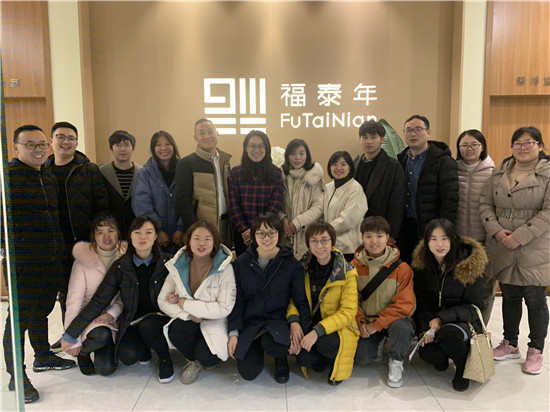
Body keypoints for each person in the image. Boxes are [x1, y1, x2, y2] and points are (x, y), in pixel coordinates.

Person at [3, 125, 76, 403]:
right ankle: (16, 376)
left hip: (51, 258)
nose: (38, 150)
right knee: (18, 320)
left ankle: (43, 355)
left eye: (41, 144)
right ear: (16, 148)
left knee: (42, 311)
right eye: (30, 145)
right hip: (23, 262)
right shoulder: (8, 178)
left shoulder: (46, 174)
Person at [61, 216, 175, 383]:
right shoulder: (121, 265)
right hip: (131, 319)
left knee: (149, 325)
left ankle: (165, 358)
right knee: (127, 356)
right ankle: (142, 348)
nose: (143, 237)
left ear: (156, 236)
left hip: (159, 317)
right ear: (130, 236)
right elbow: (99, 300)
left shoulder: (168, 262)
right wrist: (72, 333)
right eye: (137, 232)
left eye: (148, 232)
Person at [480, 126, 550, 375]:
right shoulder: (500, 170)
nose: (522, 147)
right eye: (517, 143)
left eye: (528, 142)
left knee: (535, 299)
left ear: (540, 145)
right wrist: (496, 231)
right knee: (509, 296)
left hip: (534, 246)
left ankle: (536, 349)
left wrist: (520, 237)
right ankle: (510, 343)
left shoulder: (547, 173)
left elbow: (549, 212)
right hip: (502, 244)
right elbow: (485, 204)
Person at [43, 121, 110, 348]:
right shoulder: (42, 171)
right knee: (66, 293)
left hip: (84, 243)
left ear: (77, 142)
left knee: (90, 290)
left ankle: (92, 332)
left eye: (71, 138)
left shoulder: (88, 170)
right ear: (51, 141)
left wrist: (97, 240)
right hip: (54, 245)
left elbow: (102, 206)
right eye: (61, 137)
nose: (66, 142)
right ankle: (69, 334)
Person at [227, 213, 310, 383]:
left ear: (279, 234)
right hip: (251, 323)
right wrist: (233, 332)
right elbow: (237, 300)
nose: (267, 238)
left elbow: (300, 300)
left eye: (272, 232)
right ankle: (257, 346)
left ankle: (281, 358)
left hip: (278, 321)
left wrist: (300, 327)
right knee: (248, 373)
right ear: (254, 235)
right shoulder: (241, 263)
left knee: (277, 345)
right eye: (261, 233)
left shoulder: (291, 264)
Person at [412, 218, 486, 392]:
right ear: (427, 241)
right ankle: (444, 355)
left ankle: (462, 368)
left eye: (444, 238)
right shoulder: (423, 267)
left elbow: (475, 307)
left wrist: (441, 318)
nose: (439, 244)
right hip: (435, 323)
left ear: (453, 240)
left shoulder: (468, 266)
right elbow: (422, 303)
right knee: (427, 353)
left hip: (464, 322)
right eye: (434, 239)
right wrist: (425, 328)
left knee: (449, 334)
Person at [158, 220, 236, 384]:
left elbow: (224, 308)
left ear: (215, 242)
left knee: (208, 358)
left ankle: (203, 358)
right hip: (189, 320)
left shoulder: (224, 267)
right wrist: (187, 315)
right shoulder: (179, 264)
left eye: (207, 239)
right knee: (176, 329)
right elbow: (162, 300)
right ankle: (193, 361)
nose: (201, 243)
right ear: (188, 240)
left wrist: (186, 304)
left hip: (214, 321)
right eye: (196, 238)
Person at [287, 221, 359, 386]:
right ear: (308, 244)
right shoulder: (302, 267)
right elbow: (293, 298)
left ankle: (331, 359)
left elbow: (348, 312)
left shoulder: (345, 271)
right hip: (310, 322)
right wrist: (294, 321)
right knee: (304, 358)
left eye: (324, 240)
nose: (319, 246)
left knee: (326, 344)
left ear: (332, 241)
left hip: (338, 327)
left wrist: (317, 331)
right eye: (314, 241)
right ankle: (319, 357)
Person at [352, 216, 415, 388]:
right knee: (363, 358)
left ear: (387, 237)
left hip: (394, 320)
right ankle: (378, 344)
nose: (374, 241)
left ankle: (396, 361)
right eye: (369, 236)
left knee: (403, 328)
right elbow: (351, 300)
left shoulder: (402, 268)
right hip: (368, 321)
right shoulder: (353, 267)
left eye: (379, 236)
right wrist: (361, 323)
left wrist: (377, 325)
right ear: (362, 238)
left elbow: (405, 305)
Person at [63, 216, 127, 376]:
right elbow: (73, 302)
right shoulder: (82, 262)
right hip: (89, 318)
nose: (106, 236)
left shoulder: (126, 258)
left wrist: (111, 314)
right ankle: (84, 353)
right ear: (94, 236)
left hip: (116, 317)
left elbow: (126, 296)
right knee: (101, 335)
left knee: (106, 369)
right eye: (100, 232)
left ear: (118, 233)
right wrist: (74, 338)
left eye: (110, 231)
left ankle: (107, 346)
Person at [397, 115, 458, 264]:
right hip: (405, 227)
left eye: (418, 129)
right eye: (408, 130)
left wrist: (443, 231)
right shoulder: (401, 160)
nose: (413, 134)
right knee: (406, 268)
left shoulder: (443, 161)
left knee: (428, 268)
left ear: (428, 132)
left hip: (431, 227)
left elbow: (450, 200)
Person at [455, 130, 495, 323]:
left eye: (474, 145)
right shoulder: (453, 170)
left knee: (485, 289)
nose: (469, 149)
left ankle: (481, 329)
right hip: (458, 241)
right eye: (464, 145)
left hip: (485, 240)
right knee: (458, 288)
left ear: (482, 147)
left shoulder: (494, 172)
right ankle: (460, 329)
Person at [175, 118, 232, 248]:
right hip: (203, 227)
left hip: (226, 224)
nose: (207, 136)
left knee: (225, 259)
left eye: (210, 131)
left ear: (217, 133)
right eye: (201, 133)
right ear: (195, 138)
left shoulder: (225, 161)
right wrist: (194, 229)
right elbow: (182, 201)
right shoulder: (187, 163)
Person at [228, 131, 284, 256]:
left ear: (267, 148)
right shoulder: (236, 173)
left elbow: (275, 205)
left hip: (267, 233)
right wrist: (246, 231)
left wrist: (258, 232)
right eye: (252, 146)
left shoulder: (276, 173)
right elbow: (234, 205)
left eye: (261, 146)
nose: (256, 150)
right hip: (243, 235)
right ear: (246, 148)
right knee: (244, 266)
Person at [354, 120, 406, 242]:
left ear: (382, 139)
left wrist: (391, 234)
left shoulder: (393, 166)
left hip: (381, 231)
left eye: (373, 137)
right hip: (356, 230)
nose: (369, 141)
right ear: (360, 139)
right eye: (365, 137)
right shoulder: (354, 164)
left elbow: (397, 203)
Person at [132, 131, 184, 254]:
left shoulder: (184, 170)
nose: (163, 148)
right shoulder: (144, 174)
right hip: (155, 238)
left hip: (181, 237)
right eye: (158, 145)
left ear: (173, 146)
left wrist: (181, 228)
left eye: (167, 144)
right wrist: (157, 230)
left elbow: (190, 200)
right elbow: (142, 205)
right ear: (153, 149)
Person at [279, 138, 324, 259]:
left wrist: (296, 223)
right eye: (293, 153)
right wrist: (283, 219)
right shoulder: (281, 176)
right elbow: (276, 203)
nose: (297, 157)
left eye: (301, 153)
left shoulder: (314, 177)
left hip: (307, 236)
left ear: (307, 155)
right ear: (287, 156)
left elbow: (318, 207)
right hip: (285, 236)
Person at [323, 151, 368, 262]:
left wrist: (324, 232)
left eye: (343, 164)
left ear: (350, 168)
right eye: (334, 164)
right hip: (328, 245)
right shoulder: (328, 187)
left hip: (348, 249)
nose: (339, 168)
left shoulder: (355, 188)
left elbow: (347, 220)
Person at [100, 130, 142, 239]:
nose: (122, 149)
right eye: (118, 145)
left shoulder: (142, 173)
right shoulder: (101, 173)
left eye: (127, 145)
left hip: (137, 230)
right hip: (110, 231)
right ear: (111, 148)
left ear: (133, 148)